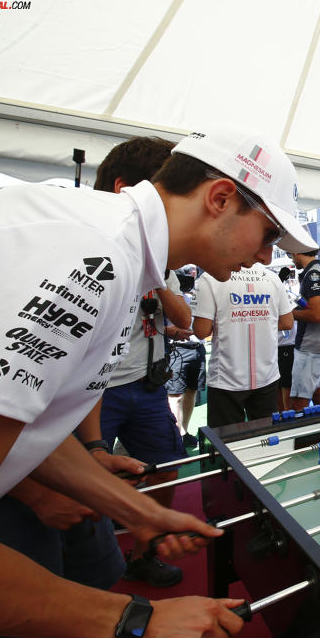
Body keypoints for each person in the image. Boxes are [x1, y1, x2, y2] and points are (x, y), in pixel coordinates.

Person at [0, 123, 318, 637]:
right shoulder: (97, 256)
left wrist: (136, 511)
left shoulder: (120, 251)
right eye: (268, 234)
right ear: (221, 198)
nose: (268, 257)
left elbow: (24, 424)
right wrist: (135, 620)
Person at [92, 136, 193, 588]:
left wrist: (157, 284)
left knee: (164, 465)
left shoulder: (157, 255)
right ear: (124, 191)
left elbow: (185, 318)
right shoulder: (89, 252)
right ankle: (92, 561)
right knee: (84, 483)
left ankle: (142, 549)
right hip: (96, 391)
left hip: (144, 384)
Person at [194, 262, 294, 427]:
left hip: (226, 376)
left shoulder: (210, 277)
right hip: (266, 374)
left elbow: (201, 331)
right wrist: (259, 320)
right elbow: (287, 322)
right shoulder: (272, 278)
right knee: (266, 441)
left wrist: (234, 322)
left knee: (226, 444)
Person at [289, 247, 320, 411]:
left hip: (311, 346)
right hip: (317, 345)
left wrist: (289, 314)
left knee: (298, 401)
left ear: (296, 253)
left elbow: (317, 315)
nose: (291, 259)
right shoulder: (315, 271)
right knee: (318, 393)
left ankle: (299, 436)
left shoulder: (313, 274)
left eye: (290, 255)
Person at [166, 265, 206, 448]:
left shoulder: (198, 294)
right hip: (177, 350)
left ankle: (184, 430)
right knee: (175, 396)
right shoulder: (170, 297)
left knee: (192, 391)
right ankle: (175, 434)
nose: (188, 281)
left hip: (197, 347)